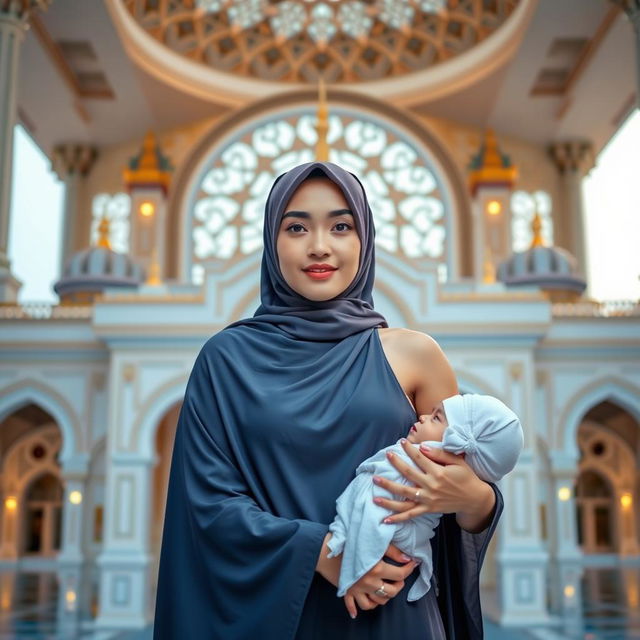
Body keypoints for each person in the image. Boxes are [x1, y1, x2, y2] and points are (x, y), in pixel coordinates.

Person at [152, 161, 504, 640]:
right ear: (272, 242)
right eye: (296, 226)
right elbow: (207, 506)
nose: (319, 245)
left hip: (394, 618)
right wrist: (326, 552)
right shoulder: (225, 360)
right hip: (282, 617)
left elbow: (463, 487)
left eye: (341, 226)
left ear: (365, 239)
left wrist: (475, 498)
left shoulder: (415, 355)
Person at [327, 393, 524, 604]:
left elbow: (372, 508)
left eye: (436, 418)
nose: (422, 417)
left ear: (458, 445)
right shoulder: (414, 460)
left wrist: (354, 563)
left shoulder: (411, 464)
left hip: (373, 561)